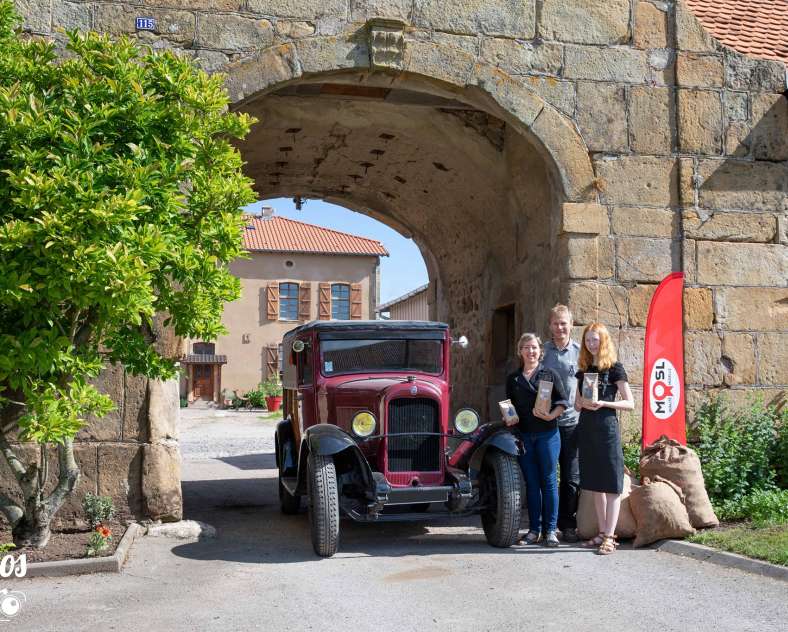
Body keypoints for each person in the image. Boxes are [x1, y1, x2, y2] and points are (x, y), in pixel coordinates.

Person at [574, 323, 634, 555]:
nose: (591, 344)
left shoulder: (616, 369)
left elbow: (629, 403)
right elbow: (577, 405)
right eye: (588, 340)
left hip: (607, 429)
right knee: (595, 486)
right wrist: (581, 402)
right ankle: (601, 532)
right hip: (587, 429)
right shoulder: (583, 371)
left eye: (594, 340)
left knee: (611, 485)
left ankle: (610, 536)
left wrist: (604, 403)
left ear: (603, 341)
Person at [506, 333, 568, 547]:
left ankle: (550, 530)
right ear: (520, 351)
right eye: (526, 347)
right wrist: (509, 417)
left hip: (548, 435)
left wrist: (552, 415)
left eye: (534, 347)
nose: (530, 351)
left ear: (540, 351)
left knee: (549, 482)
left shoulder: (549, 374)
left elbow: (562, 402)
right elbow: (509, 405)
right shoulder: (513, 379)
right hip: (524, 436)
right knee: (532, 484)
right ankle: (534, 530)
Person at [542, 304, 581, 543]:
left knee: (570, 477)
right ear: (550, 326)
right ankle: (549, 525)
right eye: (556, 323)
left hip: (572, 423)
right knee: (547, 475)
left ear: (571, 325)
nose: (560, 327)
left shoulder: (580, 352)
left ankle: (568, 524)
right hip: (546, 422)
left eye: (564, 323)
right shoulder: (542, 352)